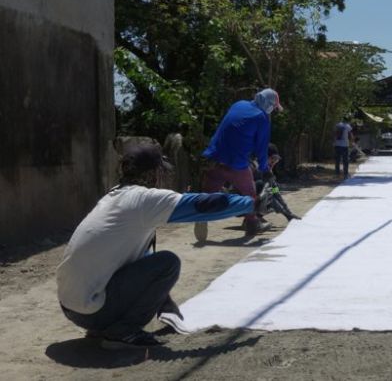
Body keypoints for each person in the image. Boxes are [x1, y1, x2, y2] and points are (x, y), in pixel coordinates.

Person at [57, 144, 260, 349]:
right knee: (167, 263)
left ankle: (105, 325)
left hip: (70, 306)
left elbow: (140, 261)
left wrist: (164, 302)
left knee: (149, 258)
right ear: (153, 174)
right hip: (92, 310)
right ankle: (122, 331)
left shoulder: (114, 195)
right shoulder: (145, 199)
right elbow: (203, 204)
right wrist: (251, 204)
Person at [199, 88, 282, 236]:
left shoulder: (239, 104)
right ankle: (252, 223)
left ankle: (200, 216)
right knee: (252, 194)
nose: (274, 161)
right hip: (235, 163)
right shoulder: (262, 118)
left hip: (214, 156)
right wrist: (267, 172)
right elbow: (261, 149)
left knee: (208, 193)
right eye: (274, 159)